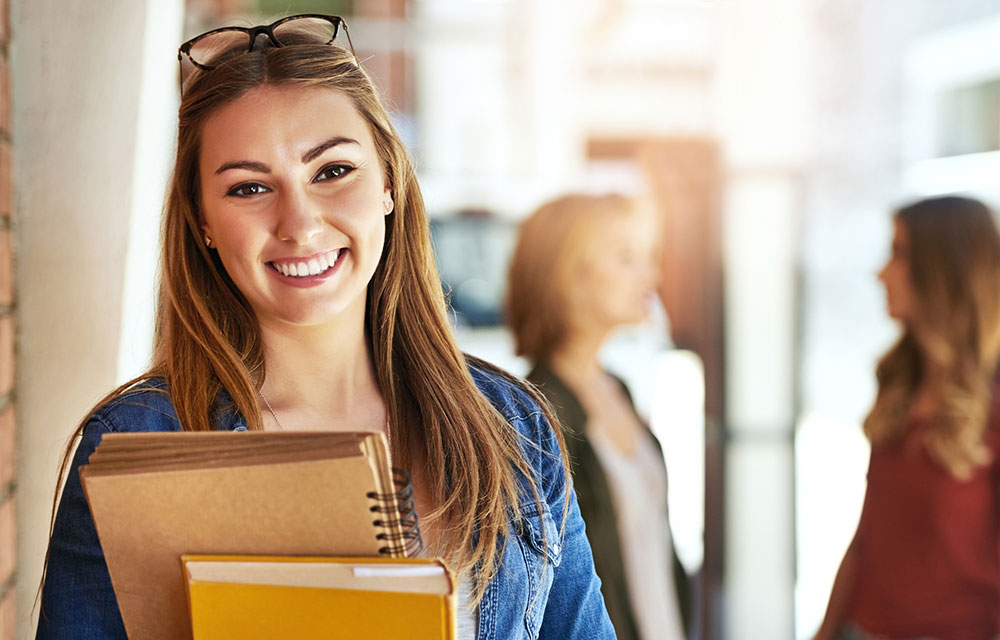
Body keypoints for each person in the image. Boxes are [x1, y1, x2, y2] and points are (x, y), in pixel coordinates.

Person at [35, 15, 615, 640]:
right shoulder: (139, 443)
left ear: (389, 180)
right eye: (249, 187)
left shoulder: (513, 430)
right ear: (202, 220)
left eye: (333, 171)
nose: (300, 224)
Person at [815, 195, 1000, 640]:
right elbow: (868, 535)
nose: (881, 273)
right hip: (862, 629)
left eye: (899, 254)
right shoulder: (899, 380)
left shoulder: (993, 400)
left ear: (944, 269)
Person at [506, 194, 690, 640]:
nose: (653, 275)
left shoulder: (620, 389)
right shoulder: (533, 414)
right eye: (627, 258)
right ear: (569, 275)